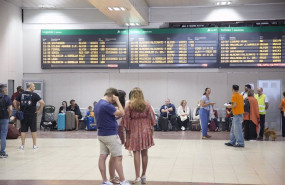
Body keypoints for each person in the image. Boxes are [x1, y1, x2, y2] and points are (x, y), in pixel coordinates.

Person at [94, 88, 130, 185]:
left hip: (101, 134)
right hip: (110, 134)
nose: (113, 101)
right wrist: (118, 101)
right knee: (118, 157)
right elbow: (122, 113)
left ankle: (105, 180)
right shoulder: (106, 105)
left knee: (102, 156)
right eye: (113, 99)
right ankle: (123, 181)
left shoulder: (98, 104)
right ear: (112, 95)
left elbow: (95, 121)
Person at [122, 87, 156, 184]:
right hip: (146, 129)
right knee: (145, 153)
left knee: (136, 152)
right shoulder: (147, 104)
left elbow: (126, 119)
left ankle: (137, 177)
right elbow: (152, 117)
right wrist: (151, 126)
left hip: (134, 130)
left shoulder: (129, 105)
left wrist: (127, 132)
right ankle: (144, 175)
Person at [14, 83, 45, 150]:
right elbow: (42, 103)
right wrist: (39, 110)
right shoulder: (34, 95)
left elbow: (15, 102)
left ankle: (22, 146)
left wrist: (18, 108)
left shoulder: (21, 94)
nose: (34, 88)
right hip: (32, 115)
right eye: (34, 86)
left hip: (23, 115)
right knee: (33, 130)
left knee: (23, 130)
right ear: (30, 87)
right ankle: (34, 145)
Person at [109, 90, 126, 184]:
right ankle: (112, 176)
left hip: (119, 130)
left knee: (113, 156)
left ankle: (112, 176)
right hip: (115, 131)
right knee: (115, 156)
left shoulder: (118, 107)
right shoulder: (115, 107)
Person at [0, 84, 13, 158]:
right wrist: (9, 115)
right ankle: (2, 152)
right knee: (3, 134)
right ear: (4, 90)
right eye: (6, 89)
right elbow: (10, 109)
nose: (7, 91)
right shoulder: (7, 97)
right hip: (4, 117)